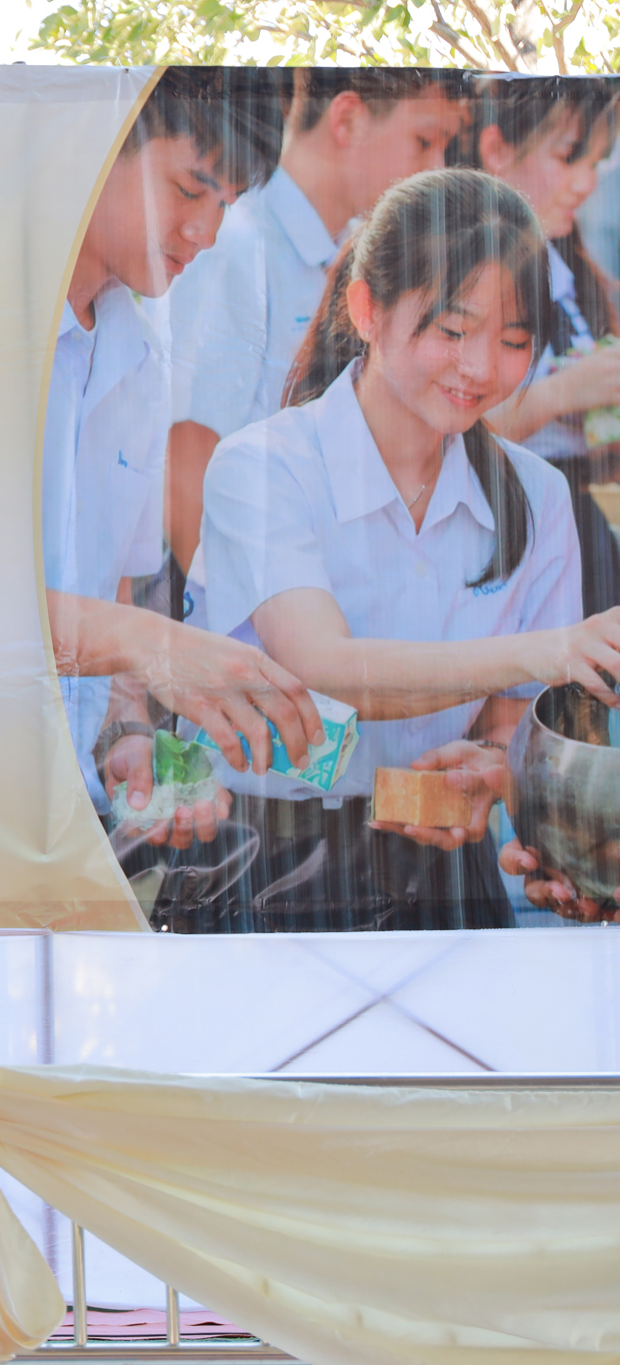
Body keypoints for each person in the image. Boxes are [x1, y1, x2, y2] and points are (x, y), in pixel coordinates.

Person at [200, 168, 620, 932]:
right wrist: (546, 650)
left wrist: (490, 766)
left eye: (514, 340)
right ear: (367, 309)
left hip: (449, 873)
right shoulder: (262, 467)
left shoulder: (538, 496)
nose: (480, 368)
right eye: (452, 331)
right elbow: (323, 664)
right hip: (268, 859)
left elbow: (515, 717)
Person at [44, 64, 324, 852]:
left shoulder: (143, 355)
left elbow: (111, 591)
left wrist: (125, 731)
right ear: (100, 153)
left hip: (66, 819)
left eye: (226, 204)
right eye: (188, 189)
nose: (203, 232)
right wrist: (157, 645)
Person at [168, 69, 467, 622]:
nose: (437, 168)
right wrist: (241, 632)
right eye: (424, 141)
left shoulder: (356, 253)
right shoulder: (237, 245)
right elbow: (188, 459)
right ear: (347, 118)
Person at [454, 75, 620, 615]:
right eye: (570, 157)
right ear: (496, 149)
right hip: (498, 531)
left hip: (574, 525)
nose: (586, 183)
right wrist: (564, 393)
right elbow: (443, 433)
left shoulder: (563, 267)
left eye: (596, 163)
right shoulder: (463, 271)